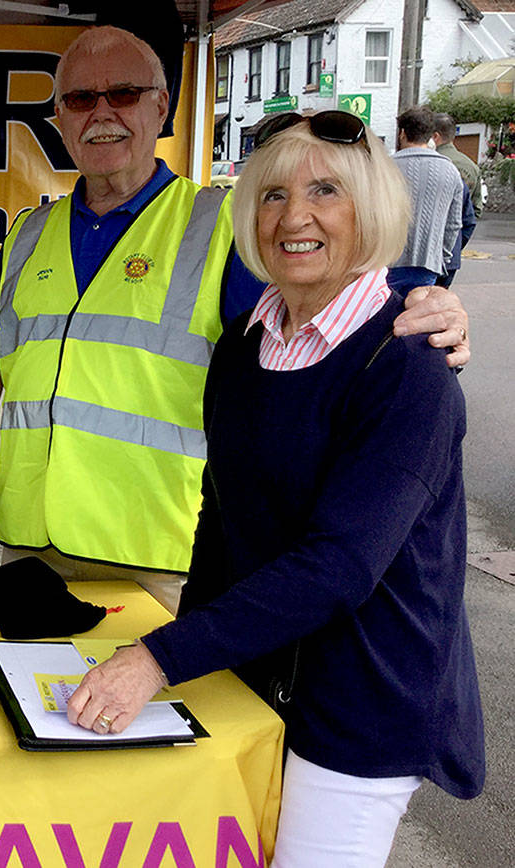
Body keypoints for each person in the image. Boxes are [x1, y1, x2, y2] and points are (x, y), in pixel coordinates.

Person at [0, 26, 471, 612]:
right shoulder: (27, 236)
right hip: (29, 553)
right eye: (80, 99)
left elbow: (330, 284)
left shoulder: (222, 224)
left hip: (164, 567)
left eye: (124, 93)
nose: (102, 113)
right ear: (58, 117)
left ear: (162, 106)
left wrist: (421, 297)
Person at [65, 110, 484, 867]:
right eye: (270, 196)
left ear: (374, 210)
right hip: (254, 676)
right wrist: (195, 663)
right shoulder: (246, 346)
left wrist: (157, 658)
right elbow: (220, 521)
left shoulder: (408, 367)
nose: (294, 216)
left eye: (326, 191)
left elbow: (340, 565)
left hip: (362, 704)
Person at [387, 106, 465, 294]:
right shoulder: (450, 171)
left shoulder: (385, 168)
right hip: (428, 263)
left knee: (385, 318)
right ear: (431, 136)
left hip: (387, 261)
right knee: (416, 318)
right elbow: (454, 223)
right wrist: (442, 256)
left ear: (402, 133)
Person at [433, 112, 480, 288]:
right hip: (451, 256)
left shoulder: (431, 163)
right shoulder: (472, 167)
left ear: (434, 136)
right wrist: (456, 244)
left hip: (419, 259)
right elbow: (473, 214)